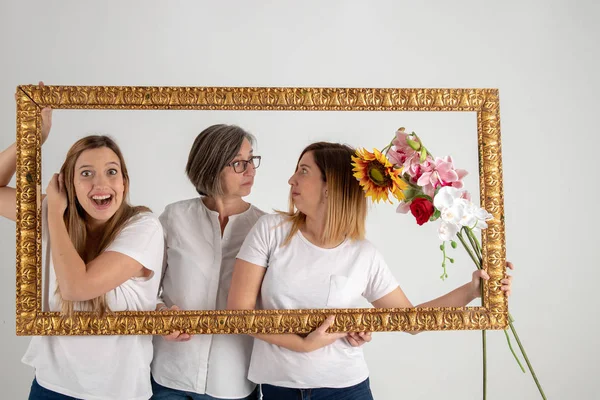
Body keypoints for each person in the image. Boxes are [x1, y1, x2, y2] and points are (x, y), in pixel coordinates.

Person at [227, 142, 514, 400]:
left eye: (303, 171)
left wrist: (473, 289)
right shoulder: (270, 231)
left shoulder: (363, 254)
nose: (291, 179)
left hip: (347, 390)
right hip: (280, 390)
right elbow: (239, 313)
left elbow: (410, 321)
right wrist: (304, 345)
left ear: (331, 186)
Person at [1, 93, 164, 399]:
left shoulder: (143, 226)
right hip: (51, 387)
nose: (100, 184)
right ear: (69, 185)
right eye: (86, 173)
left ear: (124, 183)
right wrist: (32, 136)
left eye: (111, 172)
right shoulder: (55, 212)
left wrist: (53, 215)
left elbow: (76, 287)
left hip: (118, 393)